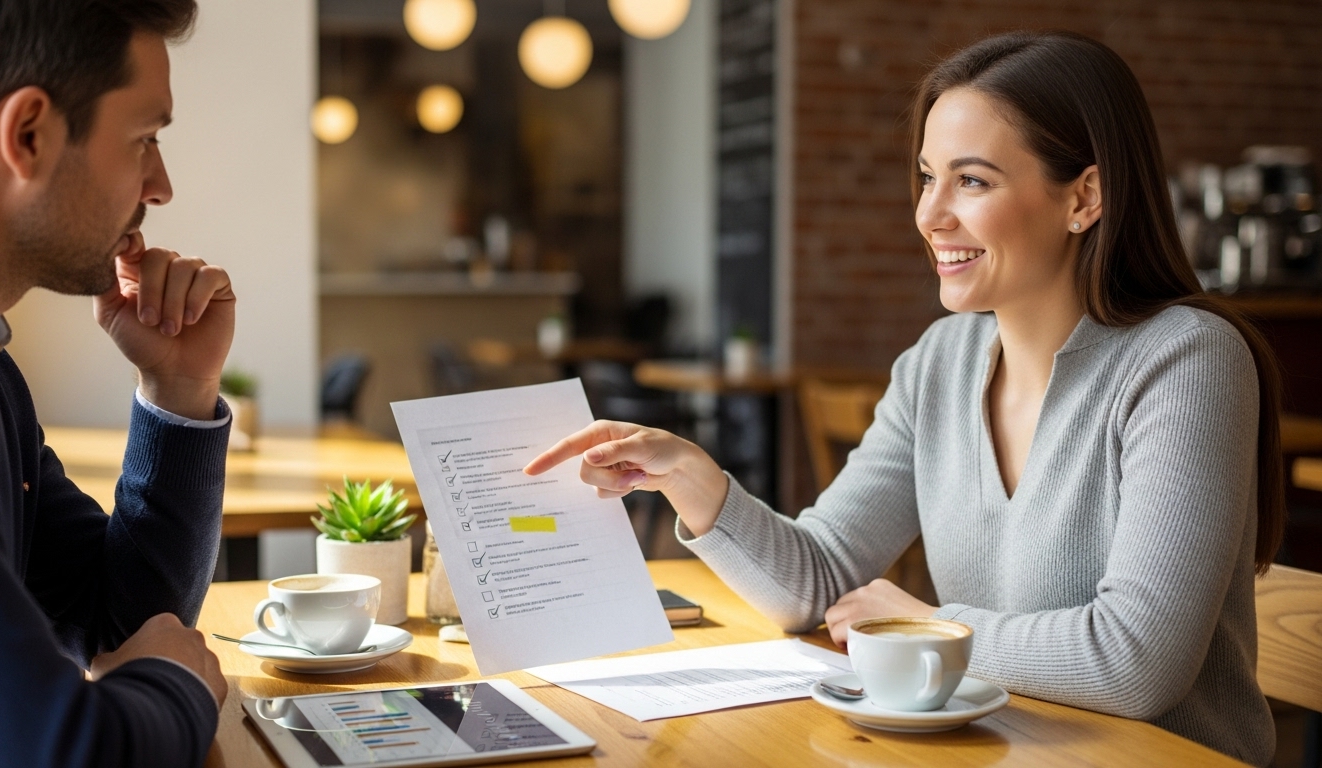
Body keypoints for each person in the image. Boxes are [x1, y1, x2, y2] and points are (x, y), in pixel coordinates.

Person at [526, 31, 1281, 766]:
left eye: (973, 180)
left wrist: (928, 626)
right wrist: (695, 481)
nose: (929, 214)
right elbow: (818, 582)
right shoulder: (940, 363)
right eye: (928, 176)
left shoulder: (1186, 361)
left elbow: (1135, 663)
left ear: (1085, 196)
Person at [0, 1, 235, 765]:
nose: (159, 186)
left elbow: (115, 620)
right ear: (28, 134)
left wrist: (178, 390)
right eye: (144, 140)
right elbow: (51, 750)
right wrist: (176, 683)